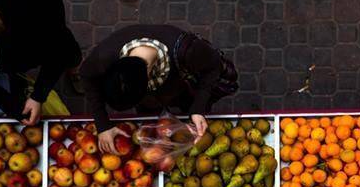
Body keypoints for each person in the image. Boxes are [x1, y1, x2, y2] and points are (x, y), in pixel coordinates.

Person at [78, 24, 239, 152]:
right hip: (154, 97)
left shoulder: (189, 51)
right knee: (151, 119)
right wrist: (102, 124)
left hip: (183, 86)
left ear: (148, 79)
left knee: (188, 107)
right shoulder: (104, 57)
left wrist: (198, 107)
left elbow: (214, 66)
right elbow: (86, 75)